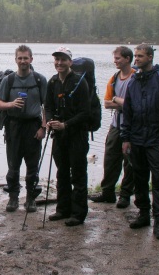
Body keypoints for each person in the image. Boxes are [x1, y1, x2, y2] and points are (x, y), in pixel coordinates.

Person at [121, 43, 159, 241]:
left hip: (155, 139)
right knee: (139, 178)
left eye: (140, 56)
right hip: (136, 138)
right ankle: (143, 213)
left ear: (150, 57)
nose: (136, 59)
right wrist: (125, 137)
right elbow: (127, 112)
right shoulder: (133, 81)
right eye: (135, 56)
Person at [0, 45, 47, 213]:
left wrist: (43, 127)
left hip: (33, 126)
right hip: (14, 126)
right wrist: (11, 104)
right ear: (15, 59)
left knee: (32, 166)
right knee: (13, 165)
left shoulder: (40, 80)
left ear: (31, 59)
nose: (23, 61)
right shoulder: (8, 80)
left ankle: (31, 199)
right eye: (20, 58)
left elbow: (47, 106)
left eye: (26, 58)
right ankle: (13, 198)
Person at [45, 46, 91, 226]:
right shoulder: (52, 82)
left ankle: (78, 214)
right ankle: (62, 209)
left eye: (63, 59)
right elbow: (47, 106)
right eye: (57, 59)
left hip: (77, 135)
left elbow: (85, 112)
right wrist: (49, 121)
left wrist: (66, 124)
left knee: (78, 174)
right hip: (59, 135)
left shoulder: (80, 82)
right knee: (61, 172)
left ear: (70, 62)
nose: (59, 63)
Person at [90, 46, 136, 208]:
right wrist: (120, 101)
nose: (115, 61)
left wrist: (117, 100)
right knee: (110, 158)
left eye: (118, 58)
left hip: (133, 127)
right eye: (115, 58)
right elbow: (107, 103)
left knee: (129, 161)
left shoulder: (136, 77)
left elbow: (135, 105)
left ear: (127, 59)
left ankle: (125, 195)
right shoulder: (114, 78)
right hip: (116, 125)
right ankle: (107, 192)